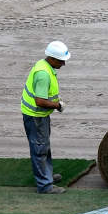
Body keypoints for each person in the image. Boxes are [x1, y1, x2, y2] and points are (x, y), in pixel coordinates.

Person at [20, 40, 70, 194]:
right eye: (61, 61)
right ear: (52, 58)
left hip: (39, 115)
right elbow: (40, 101)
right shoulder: (43, 74)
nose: (63, 64)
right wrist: (58, 105)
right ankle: (45, 185)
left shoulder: (44, 65)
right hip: (35, 117)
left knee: (43, 146)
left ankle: (46, 175)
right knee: (40, 149)